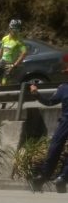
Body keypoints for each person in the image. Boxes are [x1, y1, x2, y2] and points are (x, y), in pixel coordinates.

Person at [30, 63, 68, 191]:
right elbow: (50, 102)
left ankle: (63, 178)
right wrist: (37, 94)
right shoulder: (63, 88)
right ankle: (44, 176)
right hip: (65, 122)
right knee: (54, 148)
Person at [0, 19, 28, 86]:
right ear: (10, 28)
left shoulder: (19, 40)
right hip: (2, 62)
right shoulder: (4, 38)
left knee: (4, 82)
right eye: (13, 29)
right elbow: (1, 49)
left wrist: (15, 65)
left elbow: (24, 53)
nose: (15, 32)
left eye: (17, 30)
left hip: (10, 64)